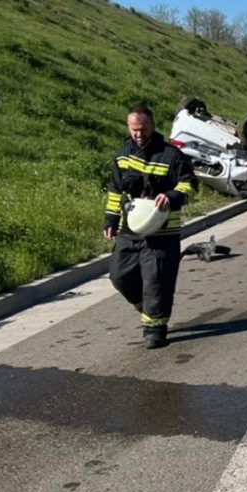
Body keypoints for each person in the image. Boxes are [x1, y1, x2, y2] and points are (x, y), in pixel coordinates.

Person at [103, 104, 198, 348]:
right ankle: (147, 307)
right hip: (130, 231)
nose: (139, 134)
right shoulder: (123, 154)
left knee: (156, 281)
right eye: (134, 130)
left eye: (143, 129)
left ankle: (155, 328)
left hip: (162, 233)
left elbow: (189, 186)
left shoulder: (172, 156)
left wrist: (171, 196)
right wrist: (111, 220)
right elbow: (115, 192)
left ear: (153, 126)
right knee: (119, 276)